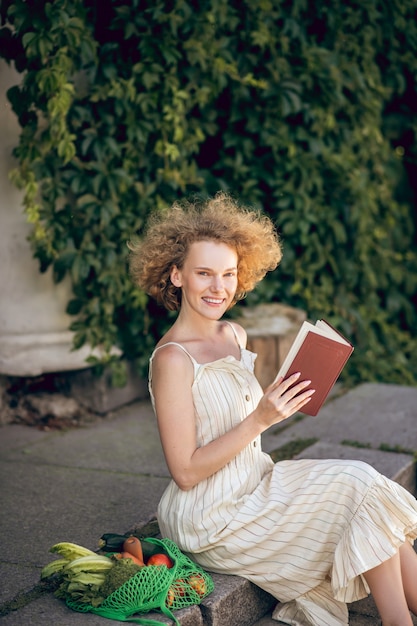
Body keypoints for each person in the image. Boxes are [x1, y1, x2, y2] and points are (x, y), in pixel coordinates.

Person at [129, 192, 417, 626]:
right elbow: (185, 471)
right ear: (175, 275)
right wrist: (261, 418)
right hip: (210, 516)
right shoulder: (171, 360)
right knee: (357, 486)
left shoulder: (234, 334)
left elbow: (235, 416)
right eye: (203, 273)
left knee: (364, 489)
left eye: (228, 274)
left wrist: (280, 398)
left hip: (255, 481)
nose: (218, 287)